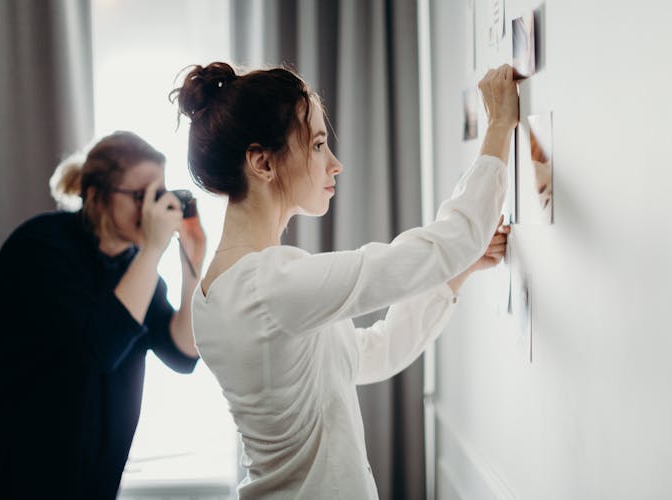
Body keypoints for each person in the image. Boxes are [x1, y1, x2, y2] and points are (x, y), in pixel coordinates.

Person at [173, 62, 517, 499]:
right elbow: (448, 242)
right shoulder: (268, 286)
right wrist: (500, 126)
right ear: (262, 162)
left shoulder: (221, 293)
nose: (335, 164)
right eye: (317, 145)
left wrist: (458, 271)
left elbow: (376, 352)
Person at [0, 131, 205, 499]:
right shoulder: (41, 247)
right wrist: (153, 251)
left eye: (159, 194)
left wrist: (192, 261)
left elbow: (182, 353)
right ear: (97, 195)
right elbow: (99, 348)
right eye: (139, 196)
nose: (152, 209)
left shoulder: (136, 270)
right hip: (8, 475)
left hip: (89, 482)